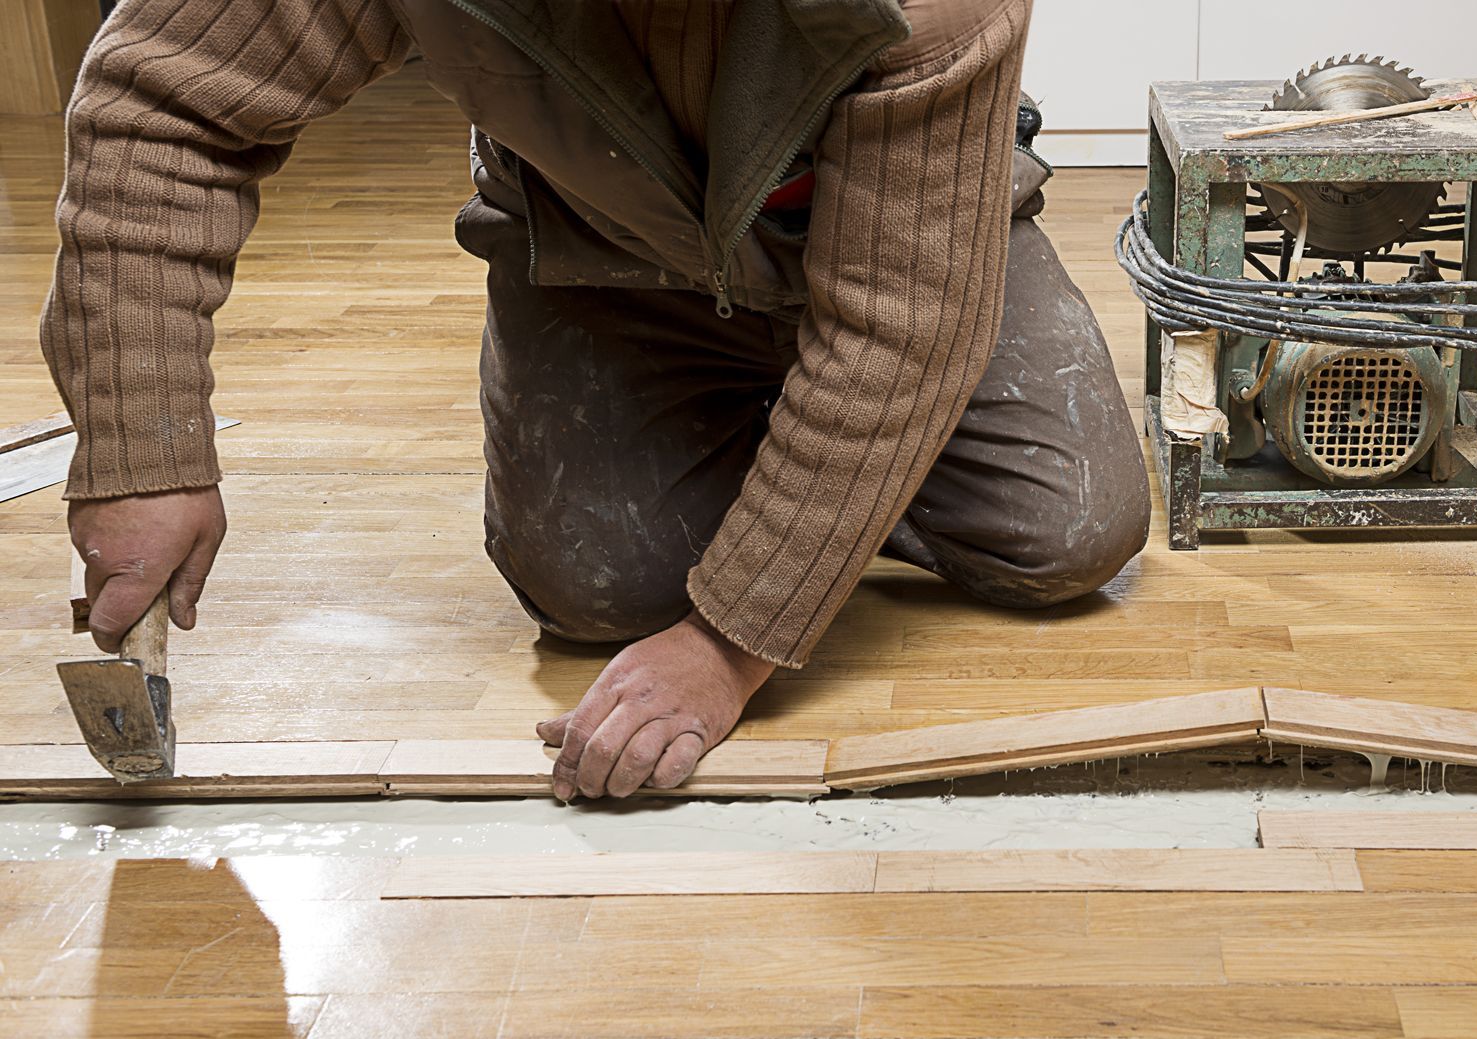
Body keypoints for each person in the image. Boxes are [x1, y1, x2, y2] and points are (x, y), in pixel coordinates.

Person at [44, 0, 1150, 799]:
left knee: (1067, 529)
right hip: (606, 242)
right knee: (593, 588)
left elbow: (899, 322)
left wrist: (729, 641)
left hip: (902, 229)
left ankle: (830, 465)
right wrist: (145, 447)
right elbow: (160, 103)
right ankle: (821, 465)